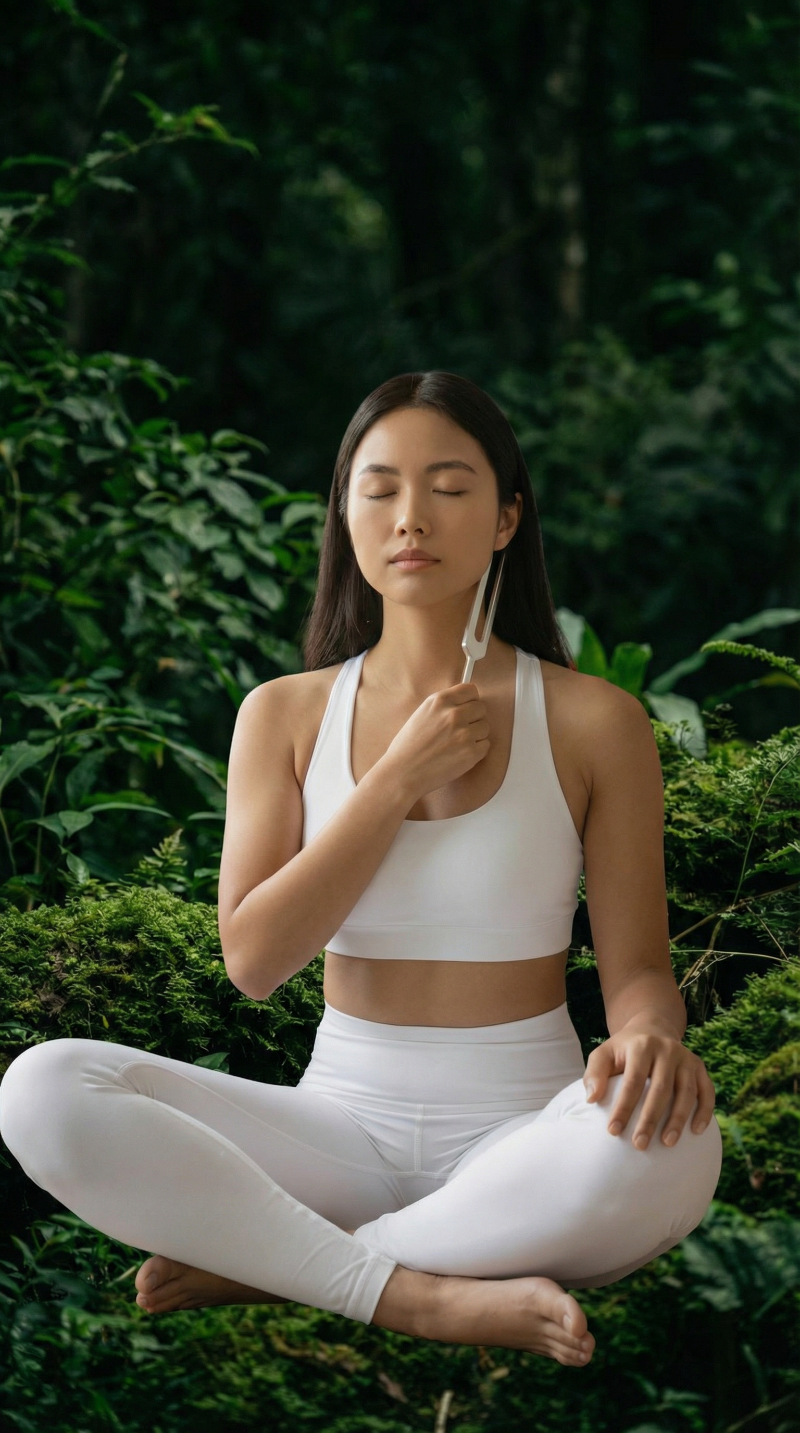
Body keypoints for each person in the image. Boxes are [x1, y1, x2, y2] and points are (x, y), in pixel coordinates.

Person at [0, 372, 722, 1368]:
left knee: (679, 1143)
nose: (410, 516)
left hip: (523, 1133)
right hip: (337, 1128)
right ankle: (418, 1293)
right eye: (378, 486)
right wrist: (393, 779)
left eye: (449, 485)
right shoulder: (284, 714)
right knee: (42, 1086)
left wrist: (647, 1038)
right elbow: (254, 959)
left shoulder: (595, 720)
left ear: (507, 516)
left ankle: (282, 1263)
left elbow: (636, 968)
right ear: (344, 513)